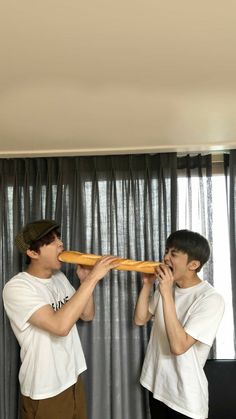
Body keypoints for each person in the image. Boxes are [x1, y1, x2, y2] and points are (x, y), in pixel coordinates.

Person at [2, 219, 119, 419]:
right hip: (45, 388)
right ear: (32, 253)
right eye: (52, 241)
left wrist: (84, 280)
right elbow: (60, 326)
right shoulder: (17, 287)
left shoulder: (59, 278)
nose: (60, 244)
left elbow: (87, 314)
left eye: (59, 238)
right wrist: (92, 279)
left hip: (72, 378)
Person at [134, 229, 225, 419]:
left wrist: (166, 292)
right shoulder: (166, 286)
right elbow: (140, 319)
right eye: (166, 251)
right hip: (155, 385)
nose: (165, 258)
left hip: (183, 397)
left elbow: (178, 346)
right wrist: (147, 285)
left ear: (193, 264)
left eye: (173, 254)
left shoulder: (210, 299)